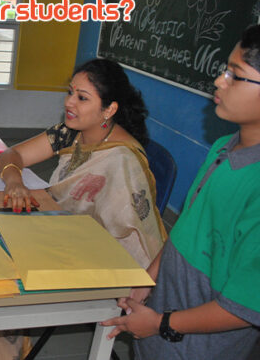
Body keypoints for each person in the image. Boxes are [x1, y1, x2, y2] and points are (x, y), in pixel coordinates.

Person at [101, 25, 260, 359]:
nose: (219, 81)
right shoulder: (222, 148)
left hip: (197, 345)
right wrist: (148, 278)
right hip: (160, 321)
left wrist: (162, 323)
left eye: (235, 75)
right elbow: (187, 225)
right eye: (224, 70)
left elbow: (243, 307)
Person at [0, 58, 166, 268]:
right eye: (70, 92)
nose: (69, 102)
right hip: (62, 232)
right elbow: (12, 154)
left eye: (82, 98)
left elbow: (124, 237)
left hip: (101, 258)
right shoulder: (70, 133)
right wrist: (14, 181)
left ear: (109, 110)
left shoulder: (122, 160)